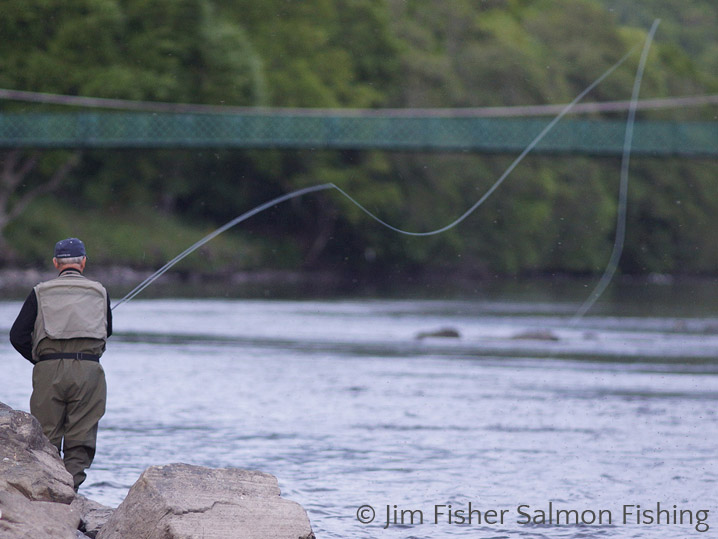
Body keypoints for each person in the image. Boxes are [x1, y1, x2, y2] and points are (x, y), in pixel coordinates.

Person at [10, 238, 112, 491]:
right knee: (81, 438)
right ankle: (71, 491)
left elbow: (17, 336)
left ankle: (48, 491)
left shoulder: (39, 292)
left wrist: (41, 359)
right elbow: (107, 331)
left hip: (48, 370)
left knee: (46, 438)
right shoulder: (100, 291)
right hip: (89, 371)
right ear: (83, 262)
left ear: (56, 263)